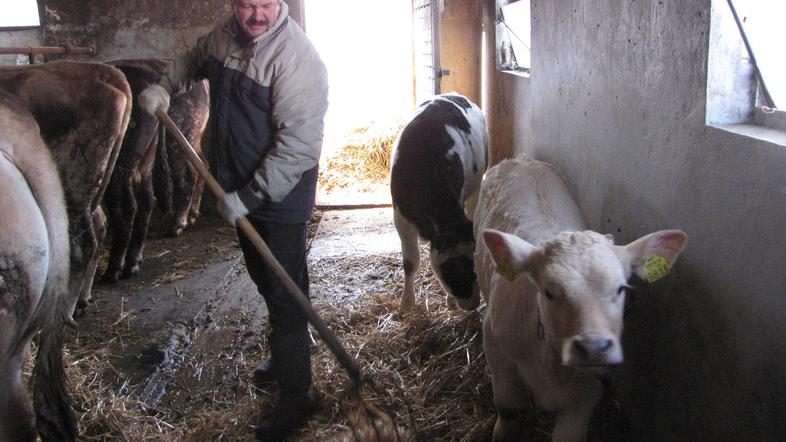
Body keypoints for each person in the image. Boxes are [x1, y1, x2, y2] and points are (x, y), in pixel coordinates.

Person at [137, 0, 328, 439]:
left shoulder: (297, 59)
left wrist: (252, 195)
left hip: (279, 194)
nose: (257, 15)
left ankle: (299, 399)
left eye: (266, 4)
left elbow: (299, 146)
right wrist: (166, 84)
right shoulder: (224, 37)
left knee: (284, 292)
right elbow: (192, 58)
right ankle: (287, 352)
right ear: (232, 4)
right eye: (247, 4)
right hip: (237, 188)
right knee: (266, 279)